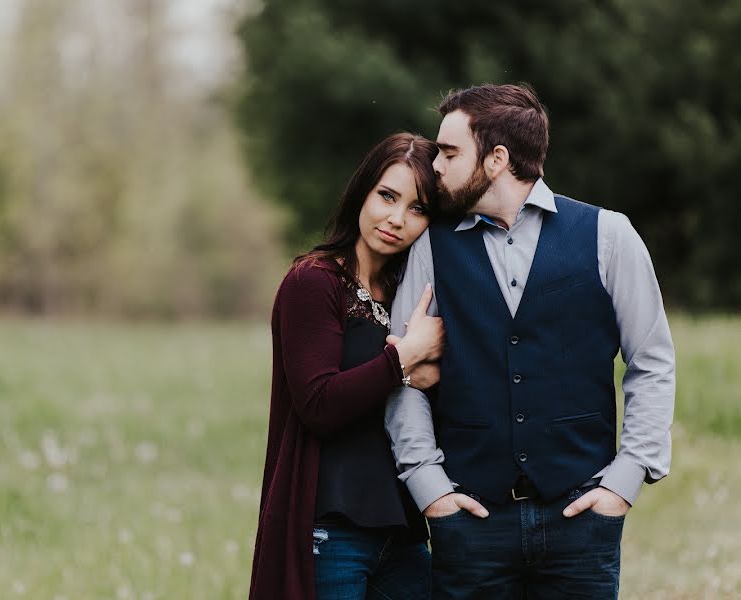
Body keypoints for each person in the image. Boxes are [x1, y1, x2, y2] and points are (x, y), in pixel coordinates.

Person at [385, 84, 675, 599]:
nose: (436, 168)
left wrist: (622, 484)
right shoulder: (432, 245)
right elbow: (402, 370)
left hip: (582, 519)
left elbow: (651, 362)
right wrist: (429, 488)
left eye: (449, 153)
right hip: (469, 523)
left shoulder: (609, 235)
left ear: (497, 159)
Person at [249, 132, 446, 600]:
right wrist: (403, 360)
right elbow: (318, 403)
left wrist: (431, 375)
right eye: (387, 196)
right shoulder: (314, 283)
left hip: (404, 531)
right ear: (363, 190)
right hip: (331, 532)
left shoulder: (412, 295)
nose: (396, 219)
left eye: (417, 209)